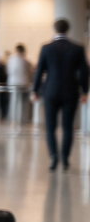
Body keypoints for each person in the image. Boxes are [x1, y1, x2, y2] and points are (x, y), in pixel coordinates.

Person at [32, 19, 90, 171]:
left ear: (55, 30)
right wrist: (85, 91)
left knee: (50, 127)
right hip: (71, 92)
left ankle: (53, 157)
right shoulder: (78, 48)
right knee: (68, 126)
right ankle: (65, 158)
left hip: (50, 91)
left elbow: (39, 71)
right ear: (68, 30)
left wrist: (35, 90)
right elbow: (84, 72)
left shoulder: (46, 47)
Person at [6, 43, 32, 121]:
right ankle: (22, 117)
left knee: (13, 101)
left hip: (12, 82)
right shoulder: (25, 61)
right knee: (23, 102)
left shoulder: (10, 59)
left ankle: (13, 116)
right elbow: (29, 72)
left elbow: (8, 71)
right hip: (23, 83)